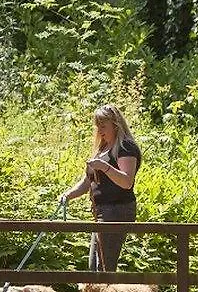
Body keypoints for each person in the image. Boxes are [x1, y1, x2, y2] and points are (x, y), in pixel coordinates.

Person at [59, 104, 141, 271]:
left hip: (117, 210)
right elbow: (86, 183)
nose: (100, 130)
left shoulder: (126, 147)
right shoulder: (102, 149)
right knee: (95, 266)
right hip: (101, 212)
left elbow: (127, 182)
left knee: (103, 267)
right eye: (98, 126)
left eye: (103, 126)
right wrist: (68, 195)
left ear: (115, 125)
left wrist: (104, 167)